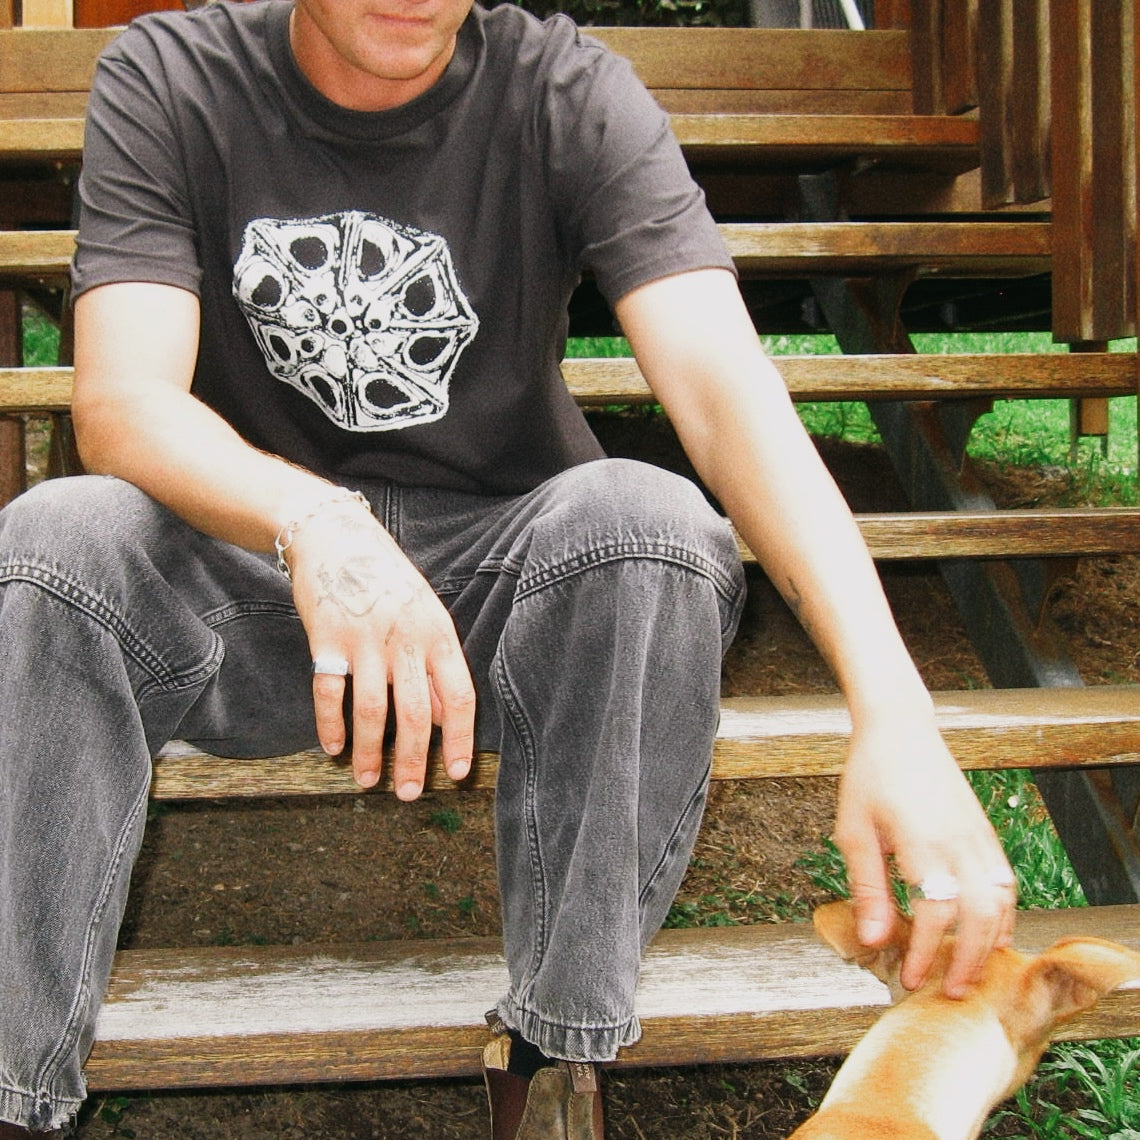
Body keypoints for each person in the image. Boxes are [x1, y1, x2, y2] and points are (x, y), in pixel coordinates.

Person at [0, 0, 1017, 1135]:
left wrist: (894, 710)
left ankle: (552, 1061)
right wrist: (319, 522)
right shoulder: (171, 75)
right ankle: (13, 1089)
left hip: (493, 603)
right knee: (56, 540)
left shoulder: (565, 91)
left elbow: (728, 396)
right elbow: (122, 404)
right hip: (243, 577)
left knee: (646, 522)